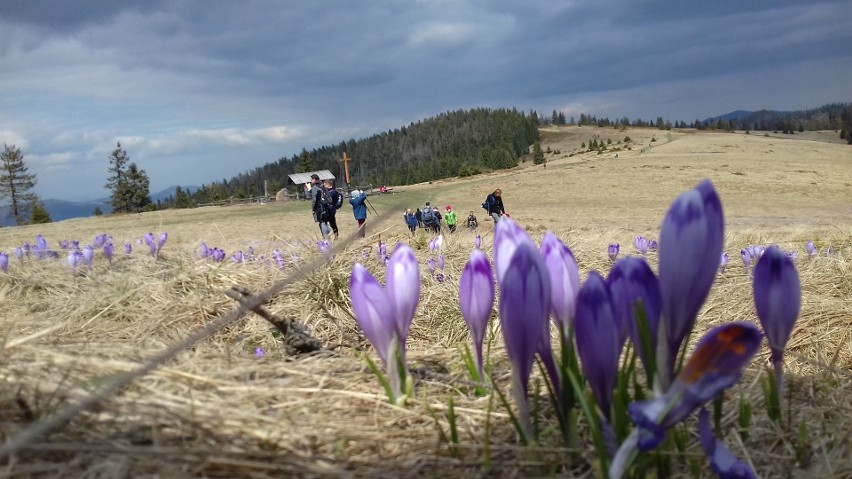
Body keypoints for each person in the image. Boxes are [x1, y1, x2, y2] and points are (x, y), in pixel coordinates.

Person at [309, 174, 331, 239]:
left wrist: (313, 209)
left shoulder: (314, 188)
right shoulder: (322, 185)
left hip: (319, 207)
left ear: (314, 179)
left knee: (322, 222)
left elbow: (314, 200)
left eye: (311, 179)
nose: (310, 181)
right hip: (326, 206)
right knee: (325, 221)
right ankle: (329, 234)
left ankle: (326, 238)